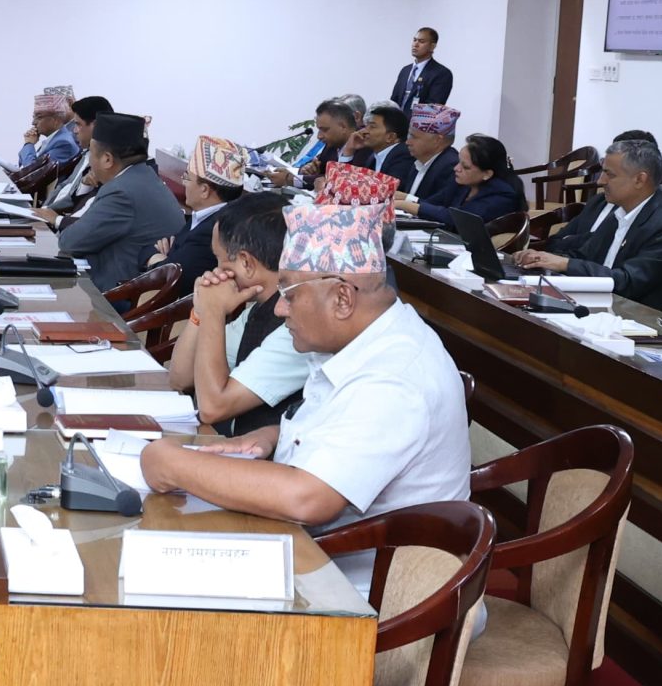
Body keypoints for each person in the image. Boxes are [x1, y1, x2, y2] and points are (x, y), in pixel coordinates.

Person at [140, 202, 470, 546]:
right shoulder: (366, 335)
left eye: (290, 294)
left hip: (356, 571)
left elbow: (308, 499)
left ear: (342, 299)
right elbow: (340, 422)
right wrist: (276, 435)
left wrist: (172, 465)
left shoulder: (394, 378)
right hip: (314, 542)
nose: (280, 309)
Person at [166, 192, 311, 438]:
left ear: (246, 263)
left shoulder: (297, 326)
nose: (215, 271)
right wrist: (200, 312)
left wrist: (213, 312)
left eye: (220, 260)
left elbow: (212, 408)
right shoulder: (258, 308)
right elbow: (180, 378)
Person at [512, 136, 662, 309]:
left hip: (644, 320)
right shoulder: (618, 214)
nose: (601, 181)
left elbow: (628, 282)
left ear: (640, 179)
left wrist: (564, 263)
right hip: (599, 307)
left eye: (610, 174)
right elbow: (584, 254)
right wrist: (541, 258)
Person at [46, 113, 184, 293]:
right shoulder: (143, 176)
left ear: (107, 159)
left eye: (91, 153)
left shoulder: (121, 192)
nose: (89, 161)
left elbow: (70, 241)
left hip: (117, 297)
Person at [159, 134, 248, 290]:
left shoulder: (214, 230)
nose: (184, 183)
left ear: (204, 190)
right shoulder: (206, 216)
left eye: (187, 177)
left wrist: (156, 258)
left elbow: (168, 276)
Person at [402, 132, 528, 231]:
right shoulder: (463, 183)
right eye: (459, 162)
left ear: (487, 174)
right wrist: (404, 199)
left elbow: (456, 219)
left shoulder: (502, 196)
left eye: (465, 167)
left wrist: (405, 205)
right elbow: (432, 203)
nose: (456, 168)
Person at [266, 99, 364, 189]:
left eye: (324, 130)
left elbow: (339, 182)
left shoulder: (363, 144)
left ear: (343, 127)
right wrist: (307, 171)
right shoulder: (332, 144)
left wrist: (290, 179)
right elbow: (319, 175)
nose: (319, 136)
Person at [400, 105, 462, 209]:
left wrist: (405, 199)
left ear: (437, 140)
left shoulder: (450, 166)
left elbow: (438, 208)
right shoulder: (419, 160)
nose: (407, 142)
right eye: (409, 136)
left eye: (414, 137)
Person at [16, 88, 80, 177]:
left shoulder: (64, 143)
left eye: (39, 117)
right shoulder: (55, 139)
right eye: (34, 117)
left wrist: (29, 144)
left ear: (56, 120)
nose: (33, 122)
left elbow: (32, 173)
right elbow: (23, 165)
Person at [389, 27, 454, 112]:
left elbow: (433, 107)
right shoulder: (405, 70)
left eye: (421, 41)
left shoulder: (442, 73)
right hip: (395, 119)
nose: (415, 44)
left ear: (432, 46)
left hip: (419, 120)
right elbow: (394, 101)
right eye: (414, 40)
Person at [359, 105, 417, 193]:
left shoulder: (403, 156)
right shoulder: (373, 156)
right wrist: (348, 152)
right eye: (366, 126)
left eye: (372, 127)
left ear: (390, 137)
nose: (364, 131)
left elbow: (387, 192)